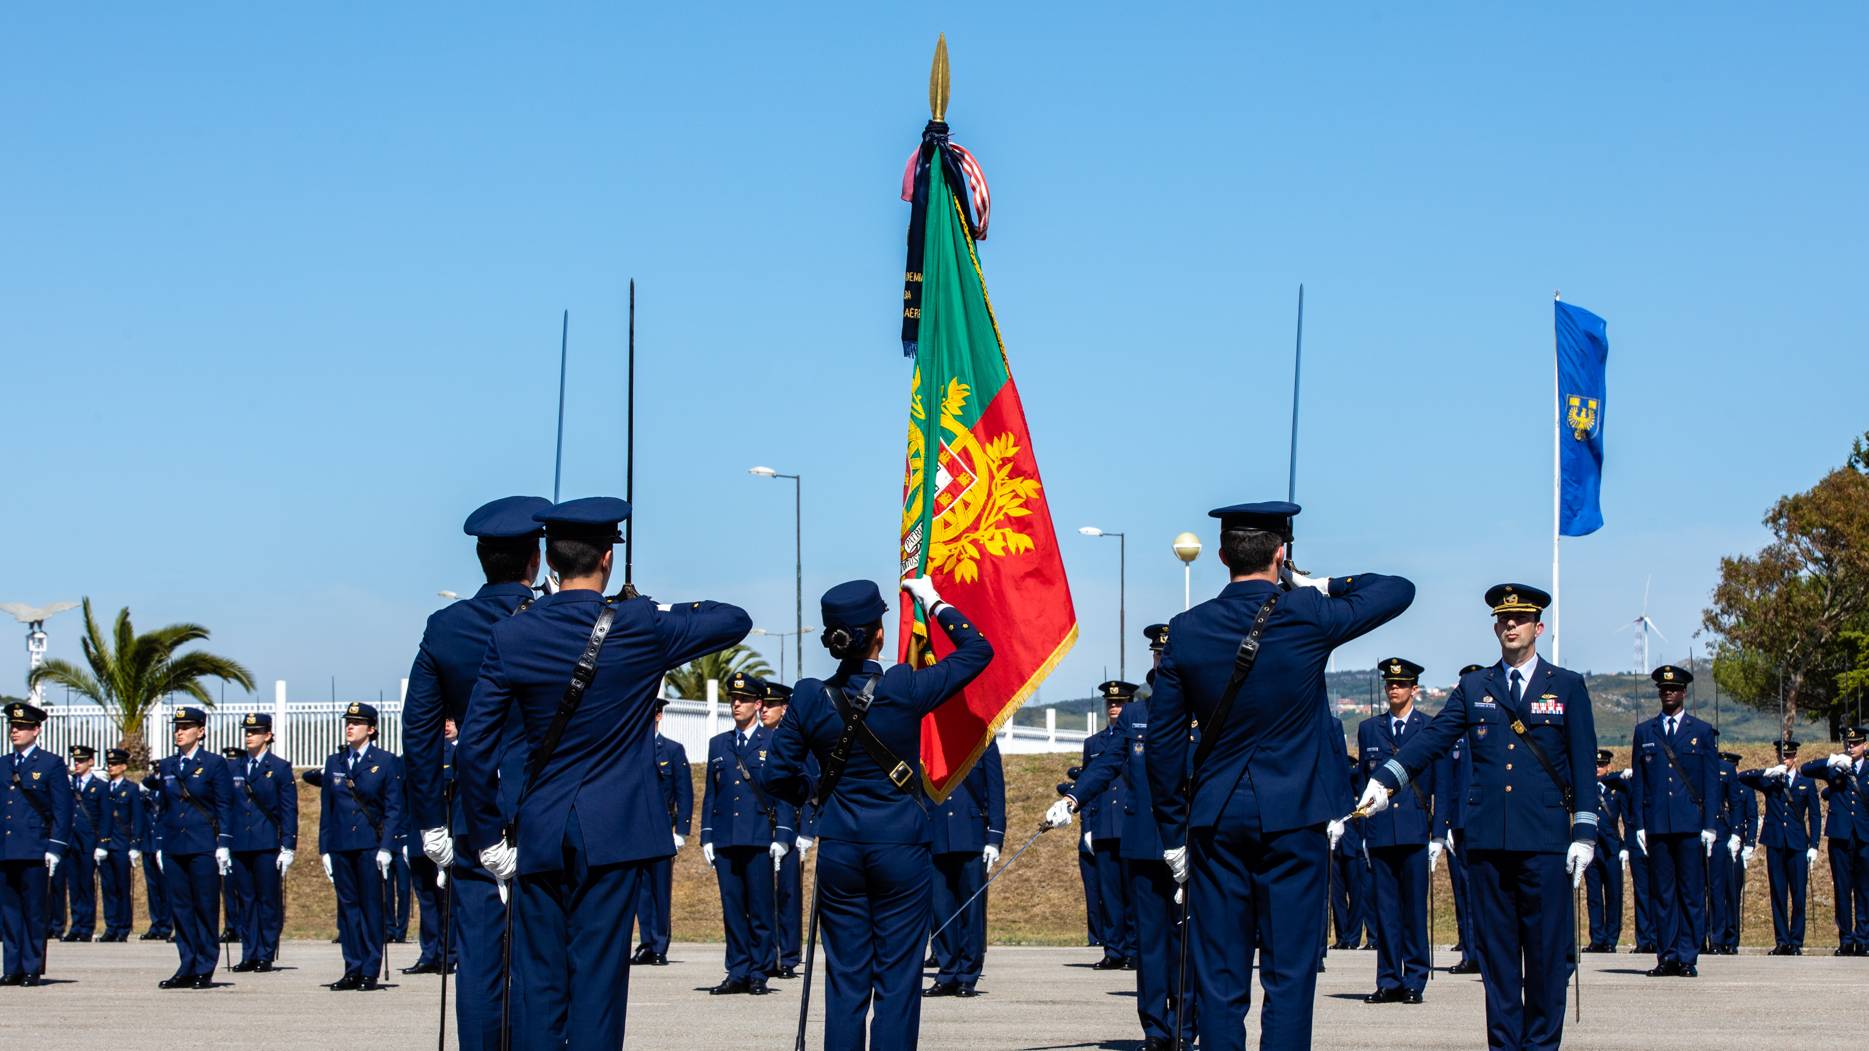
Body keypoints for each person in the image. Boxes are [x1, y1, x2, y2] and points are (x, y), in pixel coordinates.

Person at [459, 496, 752, 1049]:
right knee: (598, 985)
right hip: (614, 833)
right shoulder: (639, 625)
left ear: (548, 559)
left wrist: (488, 838)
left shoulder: (514, 634)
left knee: (539, 986)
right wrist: (659, 607)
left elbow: (475, 749)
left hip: (539, 830)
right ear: (608, 559)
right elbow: (734, 619)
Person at [1138, 501, 1414, 1051]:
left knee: (1219, 975)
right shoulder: (1306, 614)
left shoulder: (1187, 631)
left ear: (1221, 556)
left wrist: (1173, 834)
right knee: (1289, 974)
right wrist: (1318, 583)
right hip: (1294, 816)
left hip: (1215, 819)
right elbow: (1397, 589)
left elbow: (1164, 745)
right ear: (1280, 554)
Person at [1356, 583, 1597, 1051]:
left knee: (1547, 959)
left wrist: (1584, 833)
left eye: (1521, 619)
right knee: (1498, 960)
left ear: (1538, 628)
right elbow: (1434, 740)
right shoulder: (1474, 687)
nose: (1511, 625)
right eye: (1504, 620)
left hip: (1545, 843)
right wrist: (1388, 777)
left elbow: (1583, 764)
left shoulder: (1566, 686)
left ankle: (1542, 1045)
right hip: (1487, 844)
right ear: (1494, 627)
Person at [757, 576, 991, 1051]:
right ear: (878, 633)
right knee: (898, 982)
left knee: (845, 981)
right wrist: (934, 602)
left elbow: (777, 775)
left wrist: (815, 792)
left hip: (841, 848)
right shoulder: (902, 685)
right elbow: (978, 651)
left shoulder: (806, 696)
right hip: (901, 847)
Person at [404, 493, 548, 1047]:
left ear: (481, 561)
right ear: (535, 559)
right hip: (544, 809)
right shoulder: (550, 620)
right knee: (540, 961)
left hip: (473, 813)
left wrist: (430, 822)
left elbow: (419, 732)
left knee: (481, 963)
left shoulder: (445, 627)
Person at [1052, 680, 1193, 1050]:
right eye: (1159, 657)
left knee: (1186, 941)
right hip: (1144, 840)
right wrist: (1073, 800)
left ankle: (1186, 1025)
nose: (1163, 663)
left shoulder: (1200, 707)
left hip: (1188, 842)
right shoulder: (1135, 714)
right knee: (1149, 942)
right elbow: (1108, 763)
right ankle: (1155, 1029)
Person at [1626, 664, 1719, 977]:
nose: (1668, 694)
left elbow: (1710, 782)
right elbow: (1639, 782)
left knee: (1691, 893)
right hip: (1657, 823)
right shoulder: (1645, 732)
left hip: (1690, 823)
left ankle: (1687, 956)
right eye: (1664, 690)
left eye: (1674, 689)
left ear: (1684, 693)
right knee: (1662, 894)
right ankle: (1666, 955)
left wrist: (1709, 825)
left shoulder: (1701, 732)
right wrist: (1638, 823)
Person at [701, 671, 787, 995]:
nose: (737, 704)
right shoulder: (719, 744)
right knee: (733, 908)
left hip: (759, 835)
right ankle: (737, 970)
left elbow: (782, 791)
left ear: (758, 704)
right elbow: (712, 793)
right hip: (726, 837)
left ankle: (759, 972)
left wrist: (783, 836)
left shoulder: (773, 742)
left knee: (761, 908)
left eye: (745, 699)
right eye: (734, 699)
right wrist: (707, 835)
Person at [1355, 657, 1435, 1004]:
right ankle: (1388, 978)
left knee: (1414, 910)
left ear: (1414, 689)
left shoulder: (1427, 728)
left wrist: (1440, 831)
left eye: (1401, 684)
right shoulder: (1370, 729)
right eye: (1390, 684)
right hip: (1381, 831)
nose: (1394, 689)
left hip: (1415, 829)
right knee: (1385, 910)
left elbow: (1439, 782)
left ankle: (1415, 978)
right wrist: (1361, 829)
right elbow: (1362, 780)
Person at [312, 701, 405, 990]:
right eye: (347, 723)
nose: (349, 727)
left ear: (371, 728)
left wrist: (387, 847)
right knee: (348, 909)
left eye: (357, 723)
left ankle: (369, 969)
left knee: (371, 908)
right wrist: (325, 848)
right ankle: (352, 967)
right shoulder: (335, 762)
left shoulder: (386, 762)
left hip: (370, 845)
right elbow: (327, 808)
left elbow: (393, 809)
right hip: (341, 844)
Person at [150, 706, 236, 989]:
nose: (179, 731)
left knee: (204, 905)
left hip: (203, 846)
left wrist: (223, 843)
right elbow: (163, 808)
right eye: (177, 727)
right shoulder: (167, 766)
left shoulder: (214, 764)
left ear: (200, 731)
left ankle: (204, 965)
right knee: (181, 908)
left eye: (186, 727)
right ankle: (186, 963)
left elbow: (224, 805)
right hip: (175, 844)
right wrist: (160, 844)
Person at [925, 737, 1004, 999]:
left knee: (971, 909)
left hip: (971, 835)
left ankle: (968, 974)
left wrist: (994, 837)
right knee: (940, 908)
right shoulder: (929, 740)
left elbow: (995, 789)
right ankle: (946, 972)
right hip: (935, 834)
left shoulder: (982, 740)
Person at [1, 701, 73, 985]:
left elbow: (62, 810)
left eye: (21, 727)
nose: (15, 731)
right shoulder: (3, 764)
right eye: (13, 726)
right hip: (6, 848)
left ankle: (31, 966)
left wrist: (55, 847)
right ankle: (12, 967)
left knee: (33, 910)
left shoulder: (50, 764)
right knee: (9, 912)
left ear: (36, 730)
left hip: (35, 848)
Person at [228, 713, 295, 972]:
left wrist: (288, 845)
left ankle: (266, 952)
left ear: (267, 735)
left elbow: (288, 810)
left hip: (267, 842)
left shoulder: (279, 767)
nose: (249, 736)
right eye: (247, 731)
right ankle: (249, 952)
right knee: (245, 900)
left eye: (255, 732)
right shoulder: (233, 767)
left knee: (267, 900)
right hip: (240, 843)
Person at [1741, 740, 1821, 954]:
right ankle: (1782, 940)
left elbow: (1814, 815)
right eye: (1781, 756)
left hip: (1797, 843)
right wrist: (1768, 772)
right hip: (1775, 841)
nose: (1784, 759)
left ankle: (1796, 941)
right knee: (1778, 893)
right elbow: (1743, 777)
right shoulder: (1771, 781)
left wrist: (1814, 845)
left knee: (1798, 895)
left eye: (1788, 756)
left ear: (1795, 757)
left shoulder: (1807, 783)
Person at [630, 699, 692, 968]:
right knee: (640, 890)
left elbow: (684, 793)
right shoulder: (630, 750)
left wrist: (682, 831)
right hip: (635, 829)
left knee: (660, 889)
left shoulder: (672, 750)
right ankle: (645, 942)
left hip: (663, 828)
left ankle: (659, 944)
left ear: (658, 716)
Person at [1800, 724, 1869, 955]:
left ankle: (1864, 939)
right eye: (1849, 743)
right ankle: (1846, 940)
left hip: (1864, 836)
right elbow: (1805, 769)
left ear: (1865, 745)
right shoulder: (1836, 768)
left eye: (1856, 743)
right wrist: (1831, 761)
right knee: (1842, 889)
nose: (1852, 746)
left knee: (1864, 890)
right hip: (1840, 836)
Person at [1437, 663, 1485, 974]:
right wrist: (1442, 828)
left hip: (1486, 821)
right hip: (1459, 824)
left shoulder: (1487, 727)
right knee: (1463, 892)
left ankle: (1489, 953)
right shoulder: (1453, 733)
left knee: (1487, 893)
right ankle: (1470, 952)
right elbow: (1444, 784)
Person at [1081, 683, 1133, 970]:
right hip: (1103, 825)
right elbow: (1088, 785)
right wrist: (1087, 825)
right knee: (1109, 893)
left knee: (1131, 892)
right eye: (1111, 704)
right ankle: (1113, 949)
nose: (1114, 708)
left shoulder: (1135, 736)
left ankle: (1133, 949)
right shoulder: (1094, 743)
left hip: (1127, 823)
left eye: (1120, 703)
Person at [401, 719, 459, 976]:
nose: (446, 725)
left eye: (451, 719)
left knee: (447, 899)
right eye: (442, 719)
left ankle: (449, 953)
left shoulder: (459, 753)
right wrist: (402, 838)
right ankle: (429, 953)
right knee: (426, 899)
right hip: (418, 837)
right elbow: (405, 797)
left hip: (446, 836)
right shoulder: (419, 755)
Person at [761, 681, 809, 979]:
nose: (765, 709)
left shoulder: (796, 743)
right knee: (763, 897)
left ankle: (789, 955)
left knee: (788, 895)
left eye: (771, 705)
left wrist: (806, 831)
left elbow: (808, 787)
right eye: (763, 705)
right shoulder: (756, 743)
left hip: (790, 829)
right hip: (760, 829)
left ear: (785, 709)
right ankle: (768, 953)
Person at [1707, 748, 1753, 955]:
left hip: (1728, 839)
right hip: (1711, 834)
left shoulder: (1742, 787)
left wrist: (1743, 841)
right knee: (1713, 890)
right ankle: (1714, 937)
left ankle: (1731, 937)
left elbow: (1745, 814)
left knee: (1731, 893)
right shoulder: (1704, 771)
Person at [1582, 749, 1627, 952]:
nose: (1598, 769)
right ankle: (1597, 937)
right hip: (1593, 846)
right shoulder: (1586, 789)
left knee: (1613, 894)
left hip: (1611, 847)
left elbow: (1628, 818)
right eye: (1595, 765)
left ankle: (1611, 939)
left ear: (1608, 766)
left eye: (1601, 765)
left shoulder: (1616, 789)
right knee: (1593, 895)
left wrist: (1625, 846)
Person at [60, 744, 105, 942]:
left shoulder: (99, 786)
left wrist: (102, 843)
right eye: (75, 761)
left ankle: (87, 926)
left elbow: (105, 817)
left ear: (91, 762)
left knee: (87, 885)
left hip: (89, 842)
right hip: (71, 842)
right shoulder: (69, 786)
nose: (77, 764)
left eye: (81, 761)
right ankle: (76, 925)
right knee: (74, 886)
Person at [96, 748, 142, 942]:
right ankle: (111, 926)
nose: (111, 767)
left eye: (115, 764)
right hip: (106, 844)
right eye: (109, 764)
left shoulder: (131, 789)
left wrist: (135, 844)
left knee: (123, 888)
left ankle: (123, 928)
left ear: (123, 766)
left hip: (122, 844)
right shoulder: (103, 788)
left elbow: (137, 818)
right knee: (108, 888)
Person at [1330, 754, 1372, 952]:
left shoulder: (1352, 773)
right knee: (1337, 895)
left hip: (1353, 842)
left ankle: (1353, 936)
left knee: (1356, 894)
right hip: (1335, 843)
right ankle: (1342, 936)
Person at [137, 778, 172, 941]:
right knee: (153, 889)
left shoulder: (167, 793)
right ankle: (156, 923)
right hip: (148, 845)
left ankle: (166, 925)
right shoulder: (148, 795)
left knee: (166, 888)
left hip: (164, 845)